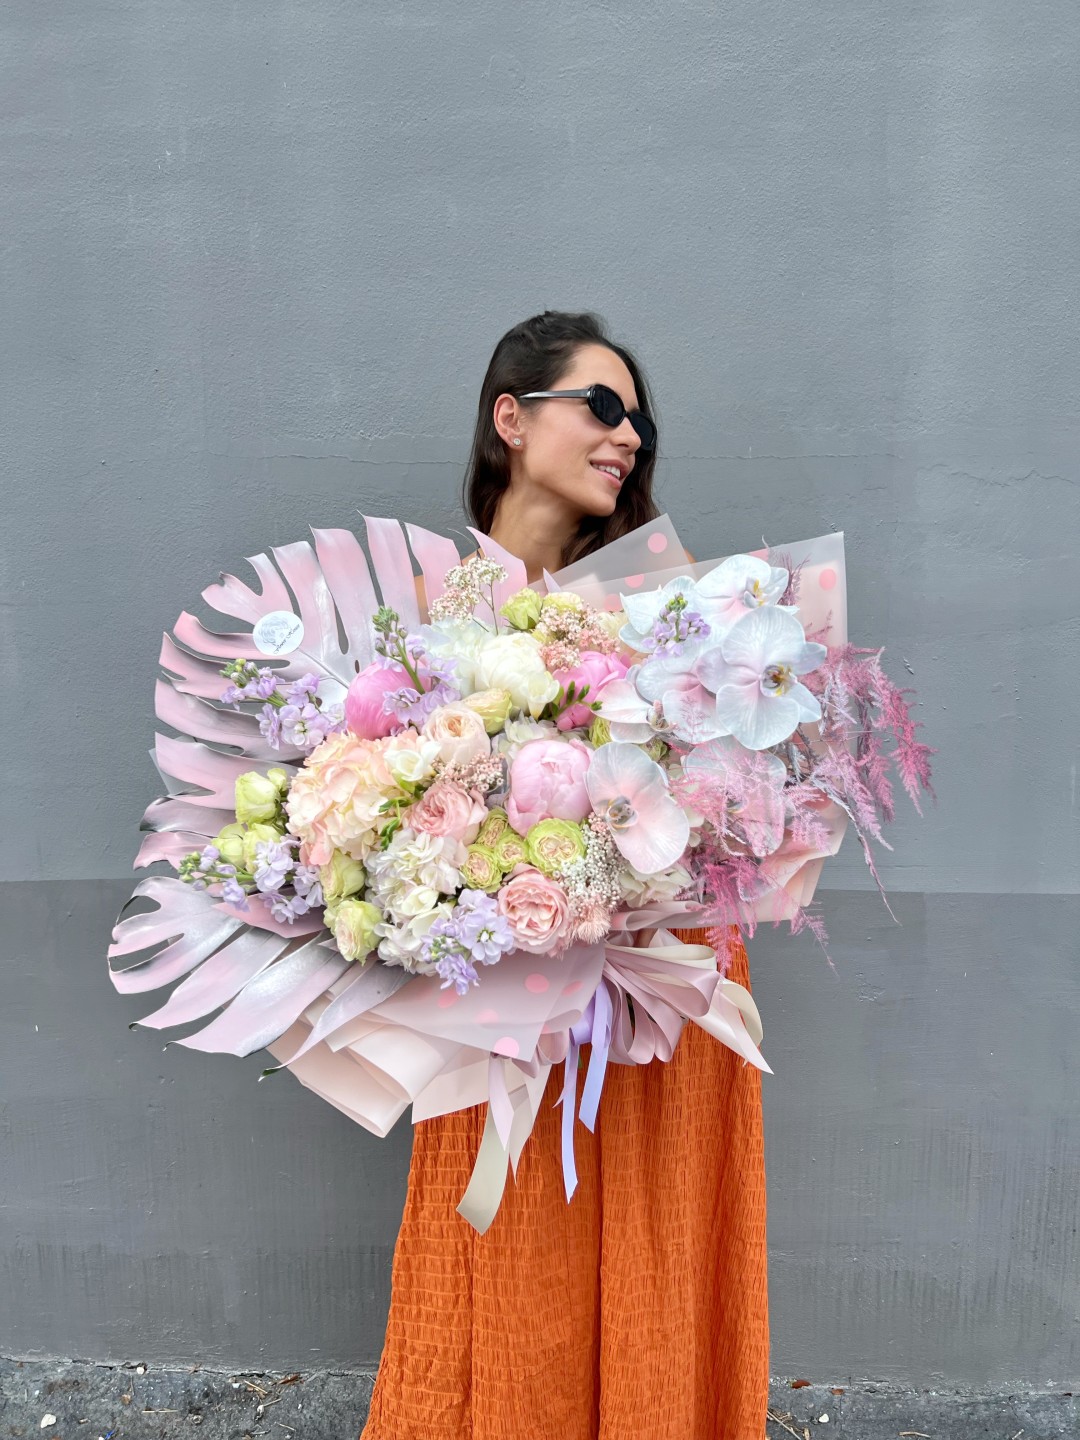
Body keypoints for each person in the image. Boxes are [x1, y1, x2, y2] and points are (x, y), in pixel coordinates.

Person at [360, 311, 769, 1440]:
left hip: (659, 996)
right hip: (503, 1013)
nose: (626, 433)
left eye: (635, 415)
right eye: (600, 405)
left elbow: (733, 796)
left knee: (655, 1243)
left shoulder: (662, 598)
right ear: (511, 417)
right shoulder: (426, 612)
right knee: (509, 1260)